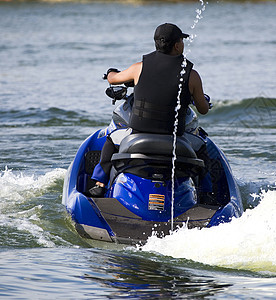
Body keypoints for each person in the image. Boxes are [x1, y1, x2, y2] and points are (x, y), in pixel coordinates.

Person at [89, 23, 210, 196]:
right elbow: (203, 109)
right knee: (202, 147)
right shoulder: (192, 75)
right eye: (182, 41)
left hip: (139, 136)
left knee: (110, 140)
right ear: (177, 45)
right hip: (175, 140)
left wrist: (109, 73)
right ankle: (206, 192)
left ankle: (100, 184)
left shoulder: (139, 68)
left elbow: (114, 78)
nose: (183, 44)